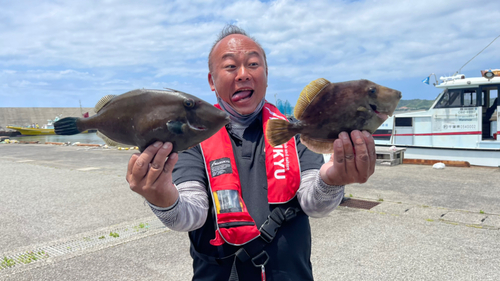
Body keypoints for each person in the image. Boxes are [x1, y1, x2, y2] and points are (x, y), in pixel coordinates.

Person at [126, 25, 376, 281]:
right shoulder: (193, 139)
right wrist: (162, 198)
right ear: (212, 81)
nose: (243, 74)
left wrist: (332, 180)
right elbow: (190, 216)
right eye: (231, 66)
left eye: (254, 64)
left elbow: (315, 204)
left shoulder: (295, 130)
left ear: (266, 75)